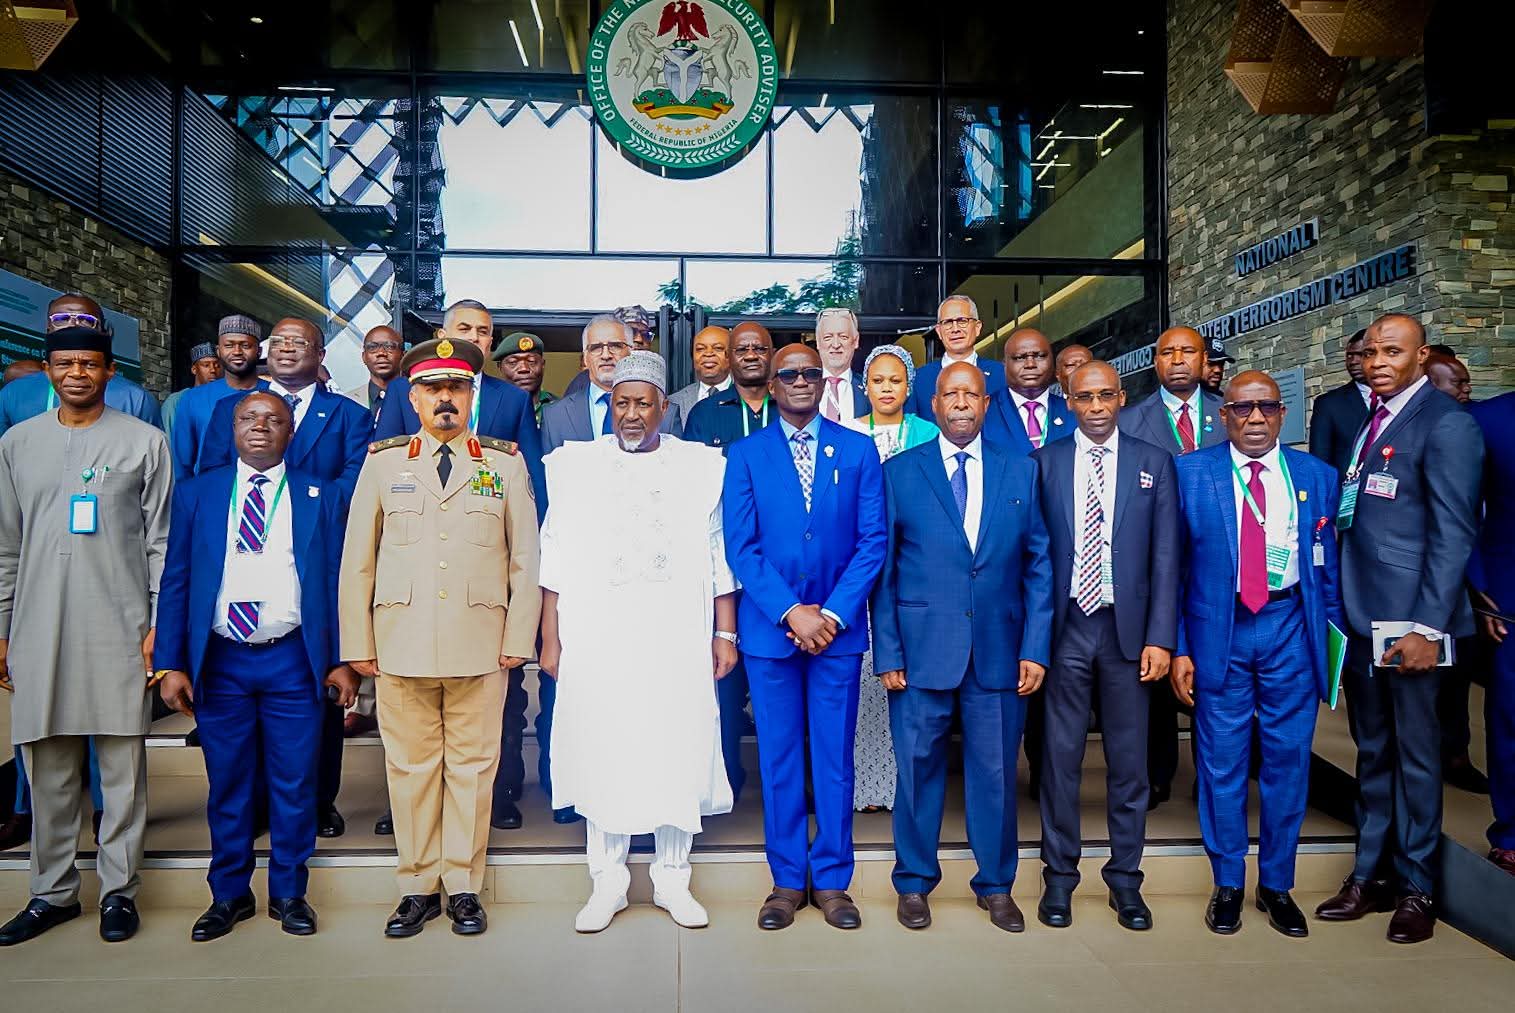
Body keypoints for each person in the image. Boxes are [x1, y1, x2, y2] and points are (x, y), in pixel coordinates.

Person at [339, 337, 542, 939]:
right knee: (410, 768)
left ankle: (462, 885)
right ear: (414, 397)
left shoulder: (503, 463)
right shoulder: (383, 463)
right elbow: (358, 561)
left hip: (482, 640)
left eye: (456, 387)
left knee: (475, 768)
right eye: (433, 388)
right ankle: (415, 885)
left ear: (471, 395)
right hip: (401, 639)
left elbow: (525, 560)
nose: (445, 398)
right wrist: (358, 642)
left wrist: (519, 635)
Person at [538, 352, 737, 932]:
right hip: (597, 634)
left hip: (676, 632)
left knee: (675, 742)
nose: (631, 414)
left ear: (663, 409)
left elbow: (717, 553)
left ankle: (674, 878)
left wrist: (724, 630)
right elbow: (554, 553)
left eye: (643, 404)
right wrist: (550, 638)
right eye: (622, 403)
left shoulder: (699, 466)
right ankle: (609, 880)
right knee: (604, 745)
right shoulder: (574, 466)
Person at [153, 392, 356, 941]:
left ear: (292, 432)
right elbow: (176, 580)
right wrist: (170, 662)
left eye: (274, 420)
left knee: (295, 782)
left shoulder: (323, 494)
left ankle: (289, 892)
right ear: (233, 428)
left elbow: (340, 582)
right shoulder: (199, 493)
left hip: (295, 658)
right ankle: (229, 894)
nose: (261, 427)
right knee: (229, 783)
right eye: (249, 419)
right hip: (221, 662)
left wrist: (343, 660)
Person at [0, 326, 171, 946]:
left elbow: (162, 543)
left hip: (120, 624)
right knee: (48, 767)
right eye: (65, 362)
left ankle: (120, 892)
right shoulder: (18, 444)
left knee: (122, 767)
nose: (77, 373)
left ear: (109, 372)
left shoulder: (145, 442)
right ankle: (52, 893)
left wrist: (160, 626)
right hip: (39, 627)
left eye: (90, 363)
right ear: (48, 371)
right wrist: (2, 629)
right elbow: (5, 545)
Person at [1316, 313, 1484, 944]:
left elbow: (1453, 535)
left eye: (1393, 351)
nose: (1379, 361)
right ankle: (1371, 873)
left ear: (1422, 357)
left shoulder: (1446, 425)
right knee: (1373, 752)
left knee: (1416, 758)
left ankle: (1418, 887)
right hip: (1364, 622)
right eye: (1371, 351)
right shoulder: (1371, 420)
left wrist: (1425, 627)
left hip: (1411, 626)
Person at [873, 362, 1051, 933]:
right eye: (950, 394)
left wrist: (1036, 646)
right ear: (933, 402)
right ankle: (914, 883)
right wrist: (890, 653)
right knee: (918, 770)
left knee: (995, 773)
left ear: (985, 401)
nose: (960, 404)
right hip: (922, 652)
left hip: (1001, 651)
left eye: (970, 394)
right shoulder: (900, 472)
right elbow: (885, 573)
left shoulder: (1019, 471)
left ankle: (996, 885)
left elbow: (1039, 566)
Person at [1171, 371, 1344, 937]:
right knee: (1220, 762)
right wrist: (1178, 646)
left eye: (1266, 408)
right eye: (1242, 409)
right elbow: (1170, 569)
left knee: (1288, 761)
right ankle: (1227, 881)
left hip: (1291, 625)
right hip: (1219, 630)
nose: (1254, 419)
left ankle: (1276, 884)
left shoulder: (1317, 476)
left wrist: (1334, 640)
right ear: (1223, 416)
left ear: (1282, 414)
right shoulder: (1191, 474)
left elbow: (1330, 565)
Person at [724, 342, 886, 931]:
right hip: (772, 635)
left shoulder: (859, 450)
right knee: (781, 758)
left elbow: (874, 542)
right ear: (770, 384)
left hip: (837, 637)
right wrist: (793, 612)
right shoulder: (745, 455)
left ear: (823, 382)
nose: (799, 380)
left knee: (835, 759)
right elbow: (741, 547)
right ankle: (788, 879)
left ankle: (835, 881)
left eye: (809, 373)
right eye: (787, 373)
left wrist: (834, 615)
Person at [195, 318, 371, 837]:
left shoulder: (348, 414)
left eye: (302, 343)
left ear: (321, 355)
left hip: (317, 555)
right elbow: (210, 474)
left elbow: (355, 481)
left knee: (320, 695)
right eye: (282, 342)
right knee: (245, 717)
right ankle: (254, 807)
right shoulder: (233, 409)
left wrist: (299, 505)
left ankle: (318, 802)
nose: (290, 350)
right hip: (241, 564)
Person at [1032, 360, 1179, 931]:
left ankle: (1125, 881)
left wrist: (1162, 637)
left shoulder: (1154, 463)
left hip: (1129, 634)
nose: (1095, 408)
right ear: (1068, 402)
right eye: (1083, 398)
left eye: (1105, 397)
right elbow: (1034, 559)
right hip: (1064, 629)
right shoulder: (1044, 463)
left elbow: (1168, 560)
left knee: (1129, 764)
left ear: (1122, 398)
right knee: (1060, 761)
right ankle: (1060, 880)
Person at [1118, 324, 1224, 810]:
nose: (1178, 359)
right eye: (1167, 352)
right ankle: (1158, 775)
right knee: (1157, 671)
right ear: (1154, 361)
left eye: (1189, 351)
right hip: (1151, 563)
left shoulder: (1233, 414)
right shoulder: (1132, 419)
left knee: (1217, 670)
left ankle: (1216, 776)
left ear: (1205, 362)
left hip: (1218, 565)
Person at [841, 345, 940, 814]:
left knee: (906, 678)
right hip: (861, 566)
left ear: (909, 386)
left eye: (894, 380)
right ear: (866, 386)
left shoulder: (928, 433)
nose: (886, 388)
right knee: (865, 678)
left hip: (914, 571)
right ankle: (865, 785)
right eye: (877, 380)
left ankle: (904, 786)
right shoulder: (848, 434)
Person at [372, 299, 545, 513]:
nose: (474, 337)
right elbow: (382, 466)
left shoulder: (514, 399)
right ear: (442, 337)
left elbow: (533, 478)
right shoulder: (404, 389)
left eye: (482, 332)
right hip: (416, 521)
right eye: (464, 329)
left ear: (490, 343)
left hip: (487, 528)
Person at [0, 293, 163, 436]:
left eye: (86, 320)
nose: (73, 325)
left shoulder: (136, 399)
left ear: (103, 331)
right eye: (60, 319)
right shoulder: (13, 393)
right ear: (48, 328)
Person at [1468, 390, 1515, 876]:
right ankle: (1511, 834)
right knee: (1510, 720)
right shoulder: (1489, 419)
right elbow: (1464, 508)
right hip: (1509, 600)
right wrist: (1479, 588)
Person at [541, 315, 684, 453]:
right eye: (596, 348)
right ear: (585, 358)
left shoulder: (667, 413)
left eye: (615, 346)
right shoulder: (554, 416)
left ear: (631, 351)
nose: (605, 355)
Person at [170, 315, 265, 480]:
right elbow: (181, 464)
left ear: (259, 351)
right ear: (218, 350)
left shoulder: (275, 394)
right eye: (229, 345)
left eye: (245, 345)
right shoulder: (192, 399)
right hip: (208, 494)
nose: (236, 352)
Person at [905, 296, 1007, 421]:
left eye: (962, 321)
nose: (955, 329)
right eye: (948, 322)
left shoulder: (1002, 374)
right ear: (938, 331)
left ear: (977, 327)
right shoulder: (918, 379)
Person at [682, 321, 777, 450]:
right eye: (741, 350)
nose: (750, 356)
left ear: (773, 354)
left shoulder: (789, 408)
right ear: (728, 357)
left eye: (760, 349)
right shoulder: (703, 412)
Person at [983, 327, 1076, 456]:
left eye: (1039, 356)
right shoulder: (984, 412)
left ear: (1052, 361)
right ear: (1004, 364)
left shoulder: (1073, 411)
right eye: (1019, 358)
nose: (1030, 364)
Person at [1307, 328, 1371, 476]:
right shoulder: (1328, 404)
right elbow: (1320, 462)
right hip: (1348, 495)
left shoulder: (1397, 397)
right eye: (1349, 355)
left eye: (1361, 355)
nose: (1353, 361)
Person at [564, 305, 656, 398]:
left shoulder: (653, 377)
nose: (639, 339)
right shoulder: (586, 380)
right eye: (631, 332)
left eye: (645, 334)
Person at [814, 307, 869, 423]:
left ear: (855, 341)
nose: (835, 344)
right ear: (818, 342)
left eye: (843, 337)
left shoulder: (870, 389)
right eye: (828, 337)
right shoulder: (804, 386)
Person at [669, 325, 732, 422]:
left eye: (718, 348)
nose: (708, 353)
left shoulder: (749, 397)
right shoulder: (673, 402)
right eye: (700, 349)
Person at [493, 331, 556, 425]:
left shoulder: (560, 407)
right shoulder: (490, 407)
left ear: (543, 364)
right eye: (513, 362)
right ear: (500, 367)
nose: (524, 368)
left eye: (532, 361)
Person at [161, 342, 223, 437]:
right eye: (206, 365)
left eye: (217, 365)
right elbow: (167, 440)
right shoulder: (176, 400)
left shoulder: (226, 401)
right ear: (194, 369)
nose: (213, 370)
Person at [345, 325, 404, 421]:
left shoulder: (419, 398)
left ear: (403, 355)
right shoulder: (348, 401)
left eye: (389, 346)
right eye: (372, 347)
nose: (381, 353)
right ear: (364, 357)